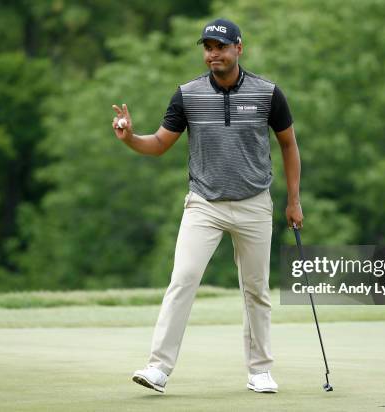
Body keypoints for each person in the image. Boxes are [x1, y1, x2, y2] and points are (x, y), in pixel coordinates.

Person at [112, 17, 303, 394]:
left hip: (253, 204)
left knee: (256, 289)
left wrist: (293, 199)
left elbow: (288, 144)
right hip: (204, 204)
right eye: (208, 48)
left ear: (238, 49)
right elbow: (160, 144)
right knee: (182, 280)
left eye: (220, 47)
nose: (213, 54)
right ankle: (158, 368)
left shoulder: (268, 93)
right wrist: (130, 137)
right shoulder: (188, 94)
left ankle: (260, 371)